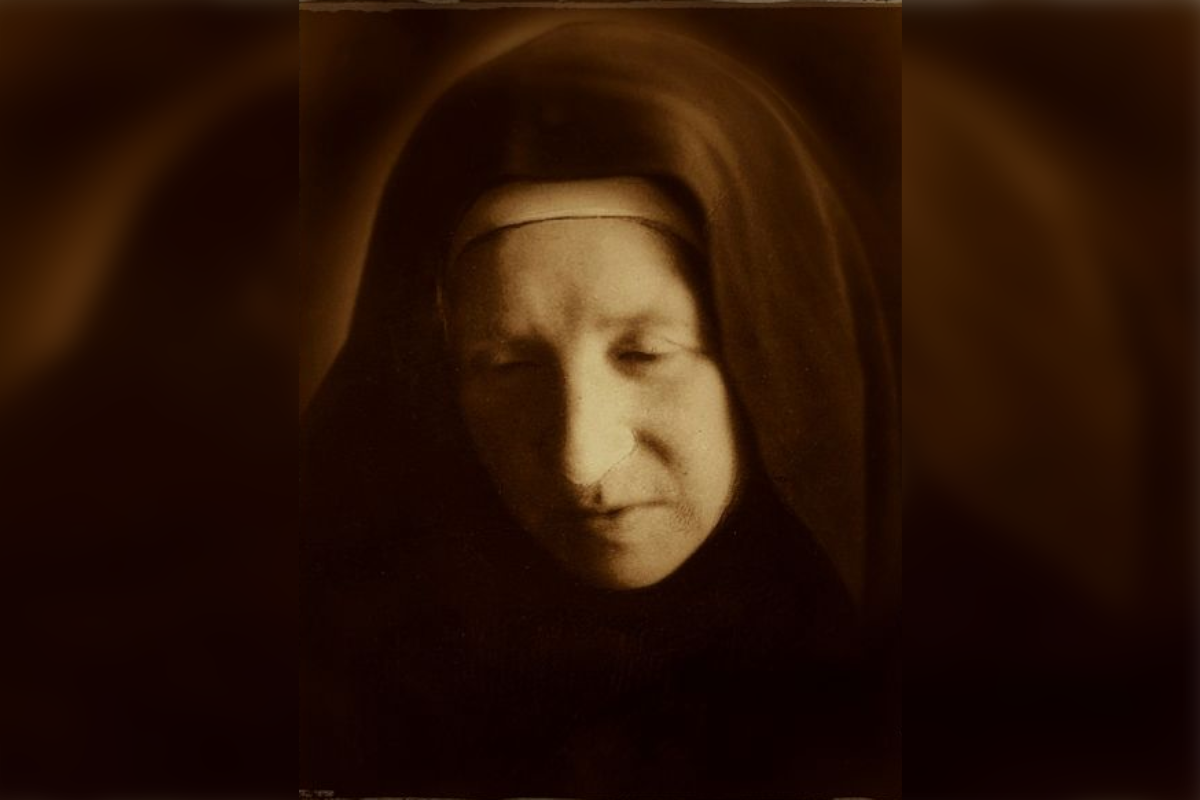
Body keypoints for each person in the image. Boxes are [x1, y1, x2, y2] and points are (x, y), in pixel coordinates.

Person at [301, 20, 897, 799]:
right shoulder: (337, 701)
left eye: (644, 354)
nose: (579, 458)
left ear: (767, 352)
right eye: (509, 367)